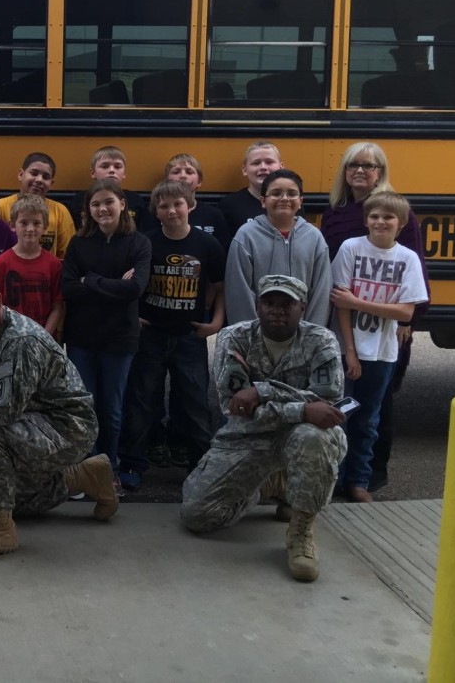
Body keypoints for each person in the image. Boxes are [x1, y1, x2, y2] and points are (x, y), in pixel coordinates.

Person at [0, 272, 119, 562]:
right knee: (8, 498)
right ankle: (85, 477)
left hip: (67, 427)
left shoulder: (20, 341)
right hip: (31, 419)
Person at [182, 275, 348, 583]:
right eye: (269, 302)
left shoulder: (321, 340)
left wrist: (260, 391)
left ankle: (300, 533)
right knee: (197, 516)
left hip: (299, 436)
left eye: (287, 303)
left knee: (314, 436)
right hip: (248, 436)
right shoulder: (234, 337)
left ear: (303, 307)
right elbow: (236, 410)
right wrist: (301, 408)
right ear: (258, 305)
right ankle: (271, 483)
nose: (277, 310)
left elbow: (326, 404)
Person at [320, 141, 430, 492]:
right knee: (342, 400)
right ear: (345, 171)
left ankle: (370, 474)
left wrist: (408, 321)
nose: (360, 171)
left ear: (380, 172)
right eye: (354, 165)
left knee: (376, 405)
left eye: (369, 166)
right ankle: (335, 476)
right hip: (343, 321)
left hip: (386, 328)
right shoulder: (336, 211)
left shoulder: (396, 210)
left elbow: (414, 263)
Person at [117, 181, 225, 491]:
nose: (172, 210)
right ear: (156, 212)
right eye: (164, 206)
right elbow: (130, 285)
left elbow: (219, 288)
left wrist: (216, 323)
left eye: (177, 203)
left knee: (194, 404)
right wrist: (132, 316)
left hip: (190, 336)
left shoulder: (207, 245)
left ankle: (200, 467)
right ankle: (133, 463)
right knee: (140, 401)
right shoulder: (145, 243)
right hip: (150, 334)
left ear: (190, 205)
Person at [61, 180, 151, 477]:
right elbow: (69, 288)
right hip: (81, 340)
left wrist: (91, 280)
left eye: (108, 202)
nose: (102, 209)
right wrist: (114, 286)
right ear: (88, 210)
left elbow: (135, 289)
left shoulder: (139, 243)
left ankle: (108, 468)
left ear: (122, 203)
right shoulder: (79, 243)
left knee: (112, 411)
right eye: (95, 204)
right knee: (85, 407)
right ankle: (85, 468)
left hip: (120, 340)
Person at [225, 169, 331, 326]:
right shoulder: (246, 236)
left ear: (301, 200)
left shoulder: (314, 237)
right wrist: (249, 335)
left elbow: (321, 291)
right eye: (276, 193)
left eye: (292, 193)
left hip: (302, 336)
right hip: (258, 335)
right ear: (263, 201)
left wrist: (312, 334)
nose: (284, 198)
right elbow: (239, 291)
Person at [0, 194, 64, 336]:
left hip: (43, 340)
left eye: (36, 223)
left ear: (45, 227)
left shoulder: (54, 265)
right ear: (12, 225)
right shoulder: (0, 264)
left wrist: (43, 337)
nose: (30, 229)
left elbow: (57, 307)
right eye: (24, 223)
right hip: (10, 339)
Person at [0, 152, 77, 258]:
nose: (39, 180)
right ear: (21, 174)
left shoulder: (60, 211)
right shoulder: (0, 207)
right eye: (34, 173)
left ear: (51, 184)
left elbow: (67, 255)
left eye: (46, 177)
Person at [67, 146, 149, 230]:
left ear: (124, 173)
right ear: (93, 173)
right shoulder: (78, 200)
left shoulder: (135, 200)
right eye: (105, 166)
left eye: (117, 167)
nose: (111, 170)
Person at [164, 153, 232, 251]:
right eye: (176, 172)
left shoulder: (214, 215)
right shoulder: (157, 213)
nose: (183, 175)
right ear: (166, 180)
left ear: (199, 181)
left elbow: (223, 252)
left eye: (189, 172)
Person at [217, 141, 283, 235]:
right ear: (244, 170)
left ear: (281, 167)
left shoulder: (290, 202)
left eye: (269, 162)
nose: (263, 167)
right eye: (256, 163)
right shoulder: (229, 205)